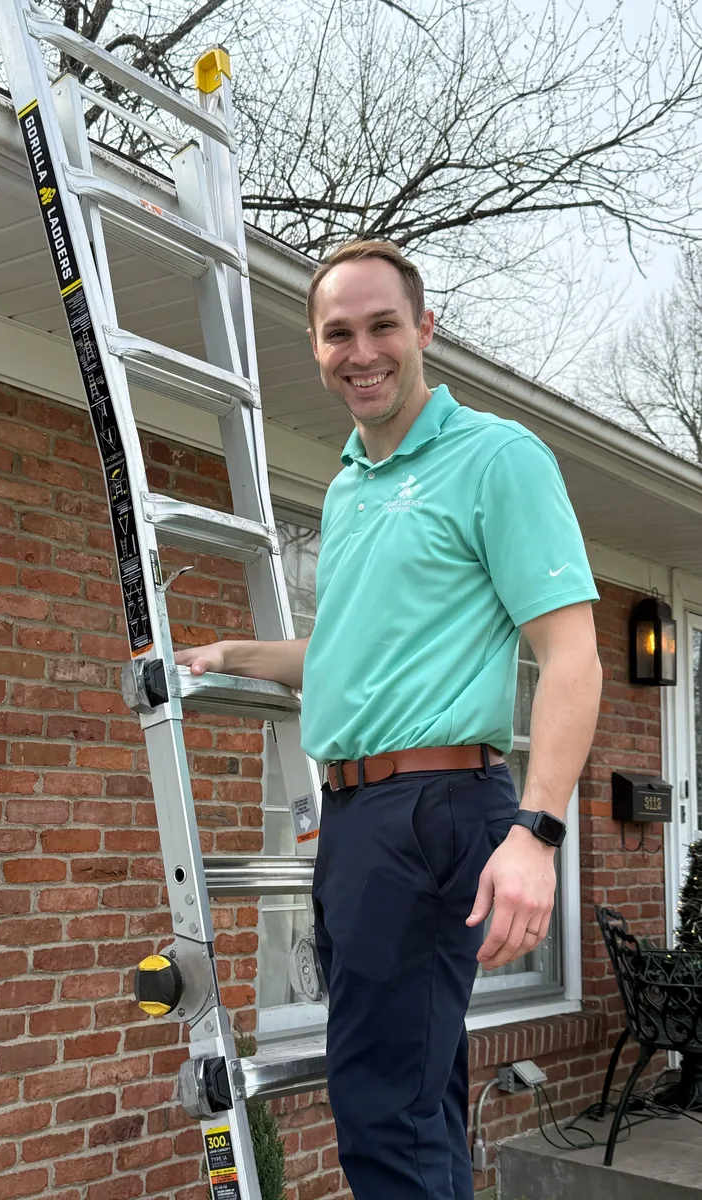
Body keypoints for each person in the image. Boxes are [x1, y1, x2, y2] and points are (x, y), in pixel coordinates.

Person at [176, 240, 602, 1200]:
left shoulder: (495, 458)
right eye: (339, 333)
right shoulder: (348, 488)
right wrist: (236, 655)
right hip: (360, 816)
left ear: (425, 330)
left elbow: (573, 655)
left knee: (382, 1110)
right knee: (413, 1098)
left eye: (383, 327)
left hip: (434, 807)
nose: (361, 352)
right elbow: (347, 660)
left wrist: (537, 832)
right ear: (316, 346)